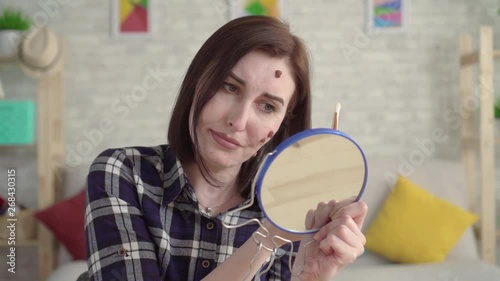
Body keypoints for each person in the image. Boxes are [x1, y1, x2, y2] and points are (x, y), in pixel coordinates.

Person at [84, 15, 367, 281]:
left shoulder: (295, 211)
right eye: (229, 87)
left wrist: (310, 277)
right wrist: (267, 238)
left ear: (282, 124)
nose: (238, 121)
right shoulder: (122, 172)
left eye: (267, 106)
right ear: (197, 81)